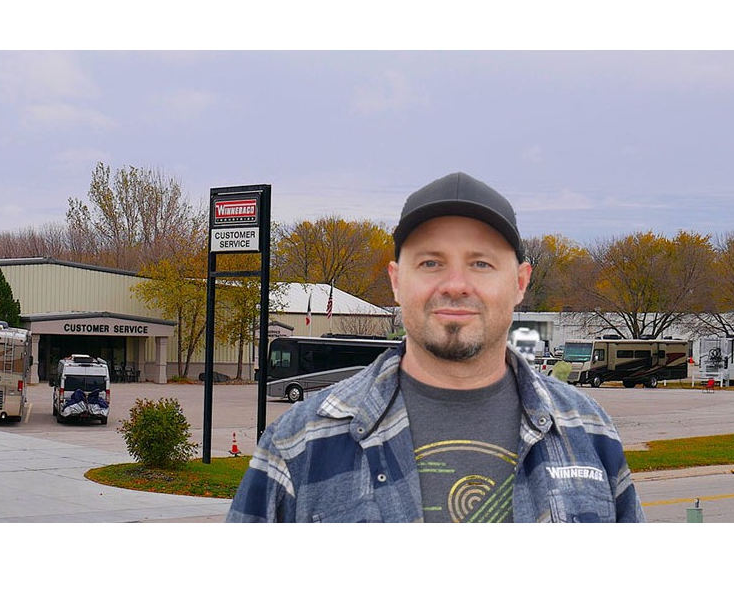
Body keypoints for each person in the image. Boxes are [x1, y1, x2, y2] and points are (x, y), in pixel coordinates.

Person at [226, 172, 644, 522]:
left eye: (481, 263)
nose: (456, 285)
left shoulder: (589, 433)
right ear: (395, 281)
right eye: (431, 263)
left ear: (519, 283)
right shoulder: (297, 444)